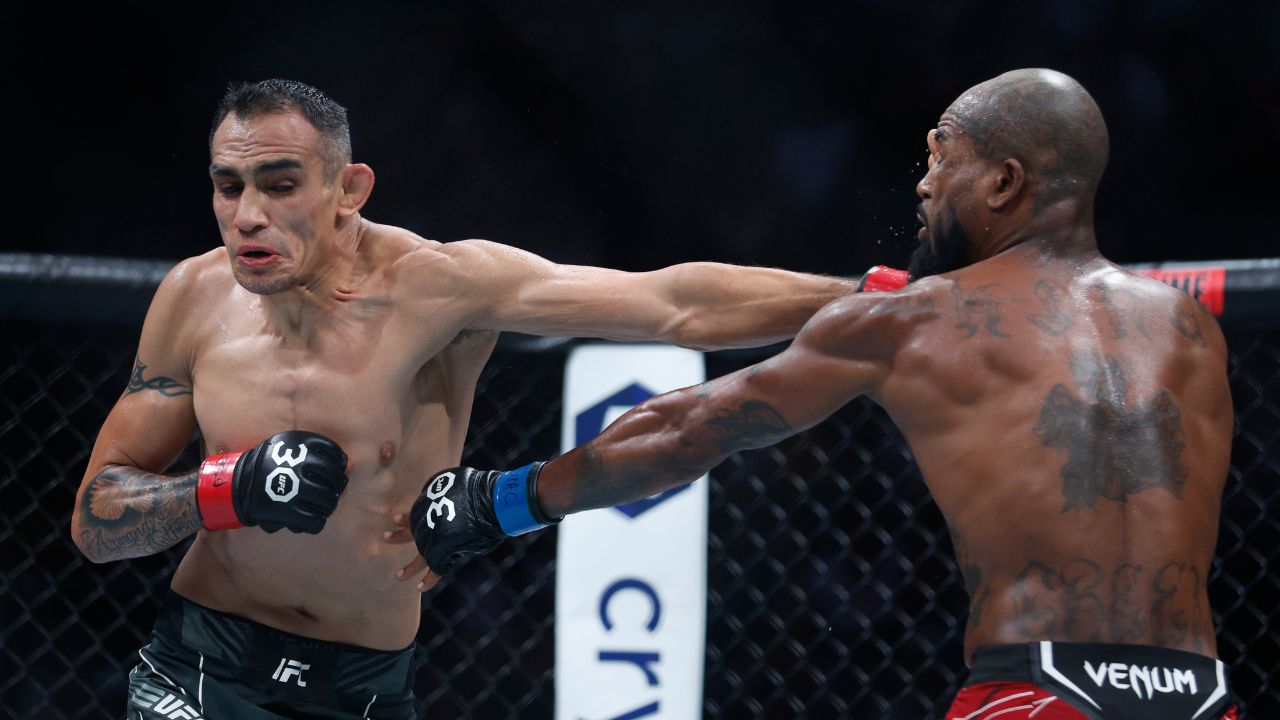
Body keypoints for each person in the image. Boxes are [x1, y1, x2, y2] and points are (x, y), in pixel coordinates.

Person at [402, 69, 1239, 719]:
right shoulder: (1189, 330)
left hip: (1040, 692)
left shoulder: (918, 322)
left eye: (943, 156)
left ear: (1003, 182)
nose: (924, 183)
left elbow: (686, 429)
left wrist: (499, 501)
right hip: (1202, 693)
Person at [69, 78, 861, 719]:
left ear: (349, 188)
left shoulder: (438, 288)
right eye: (228, 186)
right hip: (198, 668)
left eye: (280, 186)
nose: (248, 216)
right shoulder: (192, 299)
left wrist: (874, 296)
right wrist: (225, 489)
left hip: (365, 686)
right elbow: (97, 523)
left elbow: (673, 305)